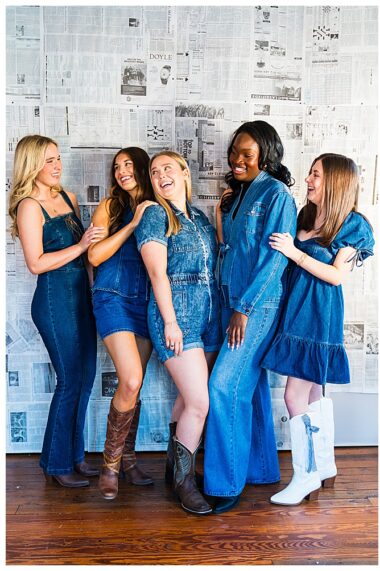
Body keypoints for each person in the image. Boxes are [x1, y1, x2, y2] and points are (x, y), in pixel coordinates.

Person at [261, 153, 374, 505]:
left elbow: (337, 276)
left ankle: (306, 475)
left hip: (318, 314)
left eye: (316, 175)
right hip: (295, 311)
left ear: (337, 182)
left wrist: (295, 253)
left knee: (294, 396)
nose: (308, 179)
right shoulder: (306, 216)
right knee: (311, 395)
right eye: (310, 173)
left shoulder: (353, 225)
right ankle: (323, 464)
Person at [204, 120, 297, 513]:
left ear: (266, 154)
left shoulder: (277, 196)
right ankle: (260, 469)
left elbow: (274, 259)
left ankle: (225, 484)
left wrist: (243, 309)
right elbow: (230, 249)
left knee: (224, 385)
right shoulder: (239, 194)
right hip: (230, 298)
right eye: (235, 152)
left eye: (247, 154)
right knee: (251, 385)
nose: (238, 160)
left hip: (255, 305)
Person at [9, 135, 105, 488]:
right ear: (32, 165)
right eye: (49, 160)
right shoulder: (29, 206)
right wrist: (80, 246)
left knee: (86, 378)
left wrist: (95, 290)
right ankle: (56, 463)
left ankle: (75, 456)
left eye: (58, 158)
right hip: (53, 301)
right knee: (69, 381)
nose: (57, 166)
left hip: (81, 296)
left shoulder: (68, 197)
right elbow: (35, 263)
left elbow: (88, 256)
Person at [136, 151, 222, 514]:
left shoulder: (200, 218)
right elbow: (157, 274)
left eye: (168, 168)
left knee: (189, 399)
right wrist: (170, 321)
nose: (160, 175)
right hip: (177, 316)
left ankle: (175, 469)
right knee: (200, 402)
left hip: (208, 316)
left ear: (185, 173)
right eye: (154, 172)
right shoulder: (156, 215)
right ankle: (185, 483)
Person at [88, 147, 159, 499]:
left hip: (145, 301)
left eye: (128, 164)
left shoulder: (158, 204)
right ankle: (110, 465)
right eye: (117, 167)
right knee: (129, 378)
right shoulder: (111, 207)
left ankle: (128, 458)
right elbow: (95, 255)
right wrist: (132, 224)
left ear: (143, 168)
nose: (121, 171)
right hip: (112, 295)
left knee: (137, 384)